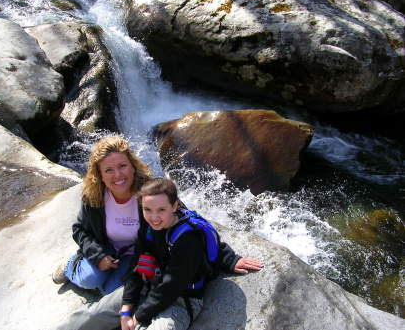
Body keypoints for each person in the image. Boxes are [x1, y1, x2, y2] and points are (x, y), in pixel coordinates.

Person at [119, 178, 264, 330]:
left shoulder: (187, 239)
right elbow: (136, 265)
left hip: (181, 299)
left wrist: (137, 317)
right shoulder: (147, 228)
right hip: (150, 285)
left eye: (161, 210)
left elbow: (171, 286)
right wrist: (126, 310)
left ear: (175, 205)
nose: (154, 217)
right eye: (147, 209)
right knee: (94, 316)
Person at [52, 136, 151, 296]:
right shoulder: (94, 196)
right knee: (90, 279)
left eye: (122, 166)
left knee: (111, 292)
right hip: (105, 248)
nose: (118, 175)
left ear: (133, 166)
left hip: (135, 254)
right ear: (100, 176)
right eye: (109, 170)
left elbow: (176, 216)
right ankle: (70, 266)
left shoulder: (151, 190)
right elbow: (79, 230)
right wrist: (98, 256)